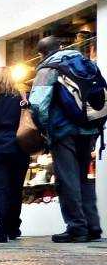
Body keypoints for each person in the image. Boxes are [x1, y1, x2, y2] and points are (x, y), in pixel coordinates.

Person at [30, 35, 103, 242]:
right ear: (60, 46)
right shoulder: (84, 62)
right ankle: (92, 225)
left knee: (67, 179)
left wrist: (44, 129)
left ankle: (77, 227)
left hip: (63, 130)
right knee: (82, 177)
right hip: (89, 128)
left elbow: (37, 104)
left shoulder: (48, 68)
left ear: (40, 53)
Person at [0, 66, 30, 243]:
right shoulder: (21, 98)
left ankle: (1, 231)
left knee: (1, 190)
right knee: (16, 190)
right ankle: (13, 228)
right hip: (19, 147)